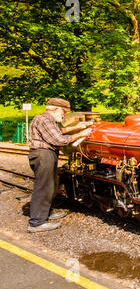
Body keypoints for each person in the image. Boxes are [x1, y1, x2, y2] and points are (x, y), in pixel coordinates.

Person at [27, 98, 93, 233]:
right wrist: (81, 134)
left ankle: (46, 213)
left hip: (45, 155)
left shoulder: (46, 119)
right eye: (63, 112)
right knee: (43, 187)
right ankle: (36, 223)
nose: (64, 115)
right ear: (55, 109)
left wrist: (76, 127)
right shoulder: (44, 120)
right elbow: (59, 140)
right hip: (43, 155)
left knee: (50, 186)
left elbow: (59, 131)